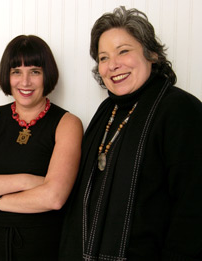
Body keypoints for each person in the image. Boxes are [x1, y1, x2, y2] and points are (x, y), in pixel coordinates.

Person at [59, 6, 202, 260]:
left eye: (123, 51)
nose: (113, 65)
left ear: (152, 54)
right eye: (103, 58)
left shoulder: (181, 110)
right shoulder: (107, 111)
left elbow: (193, 208)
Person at [0, 35, 83, 260]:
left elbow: (53, 197)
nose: (25, 82)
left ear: (47, 74)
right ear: (7, 75)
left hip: (44, 249)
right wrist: (28, 181)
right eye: (16, 71)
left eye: (34, 71)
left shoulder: (68, 124)